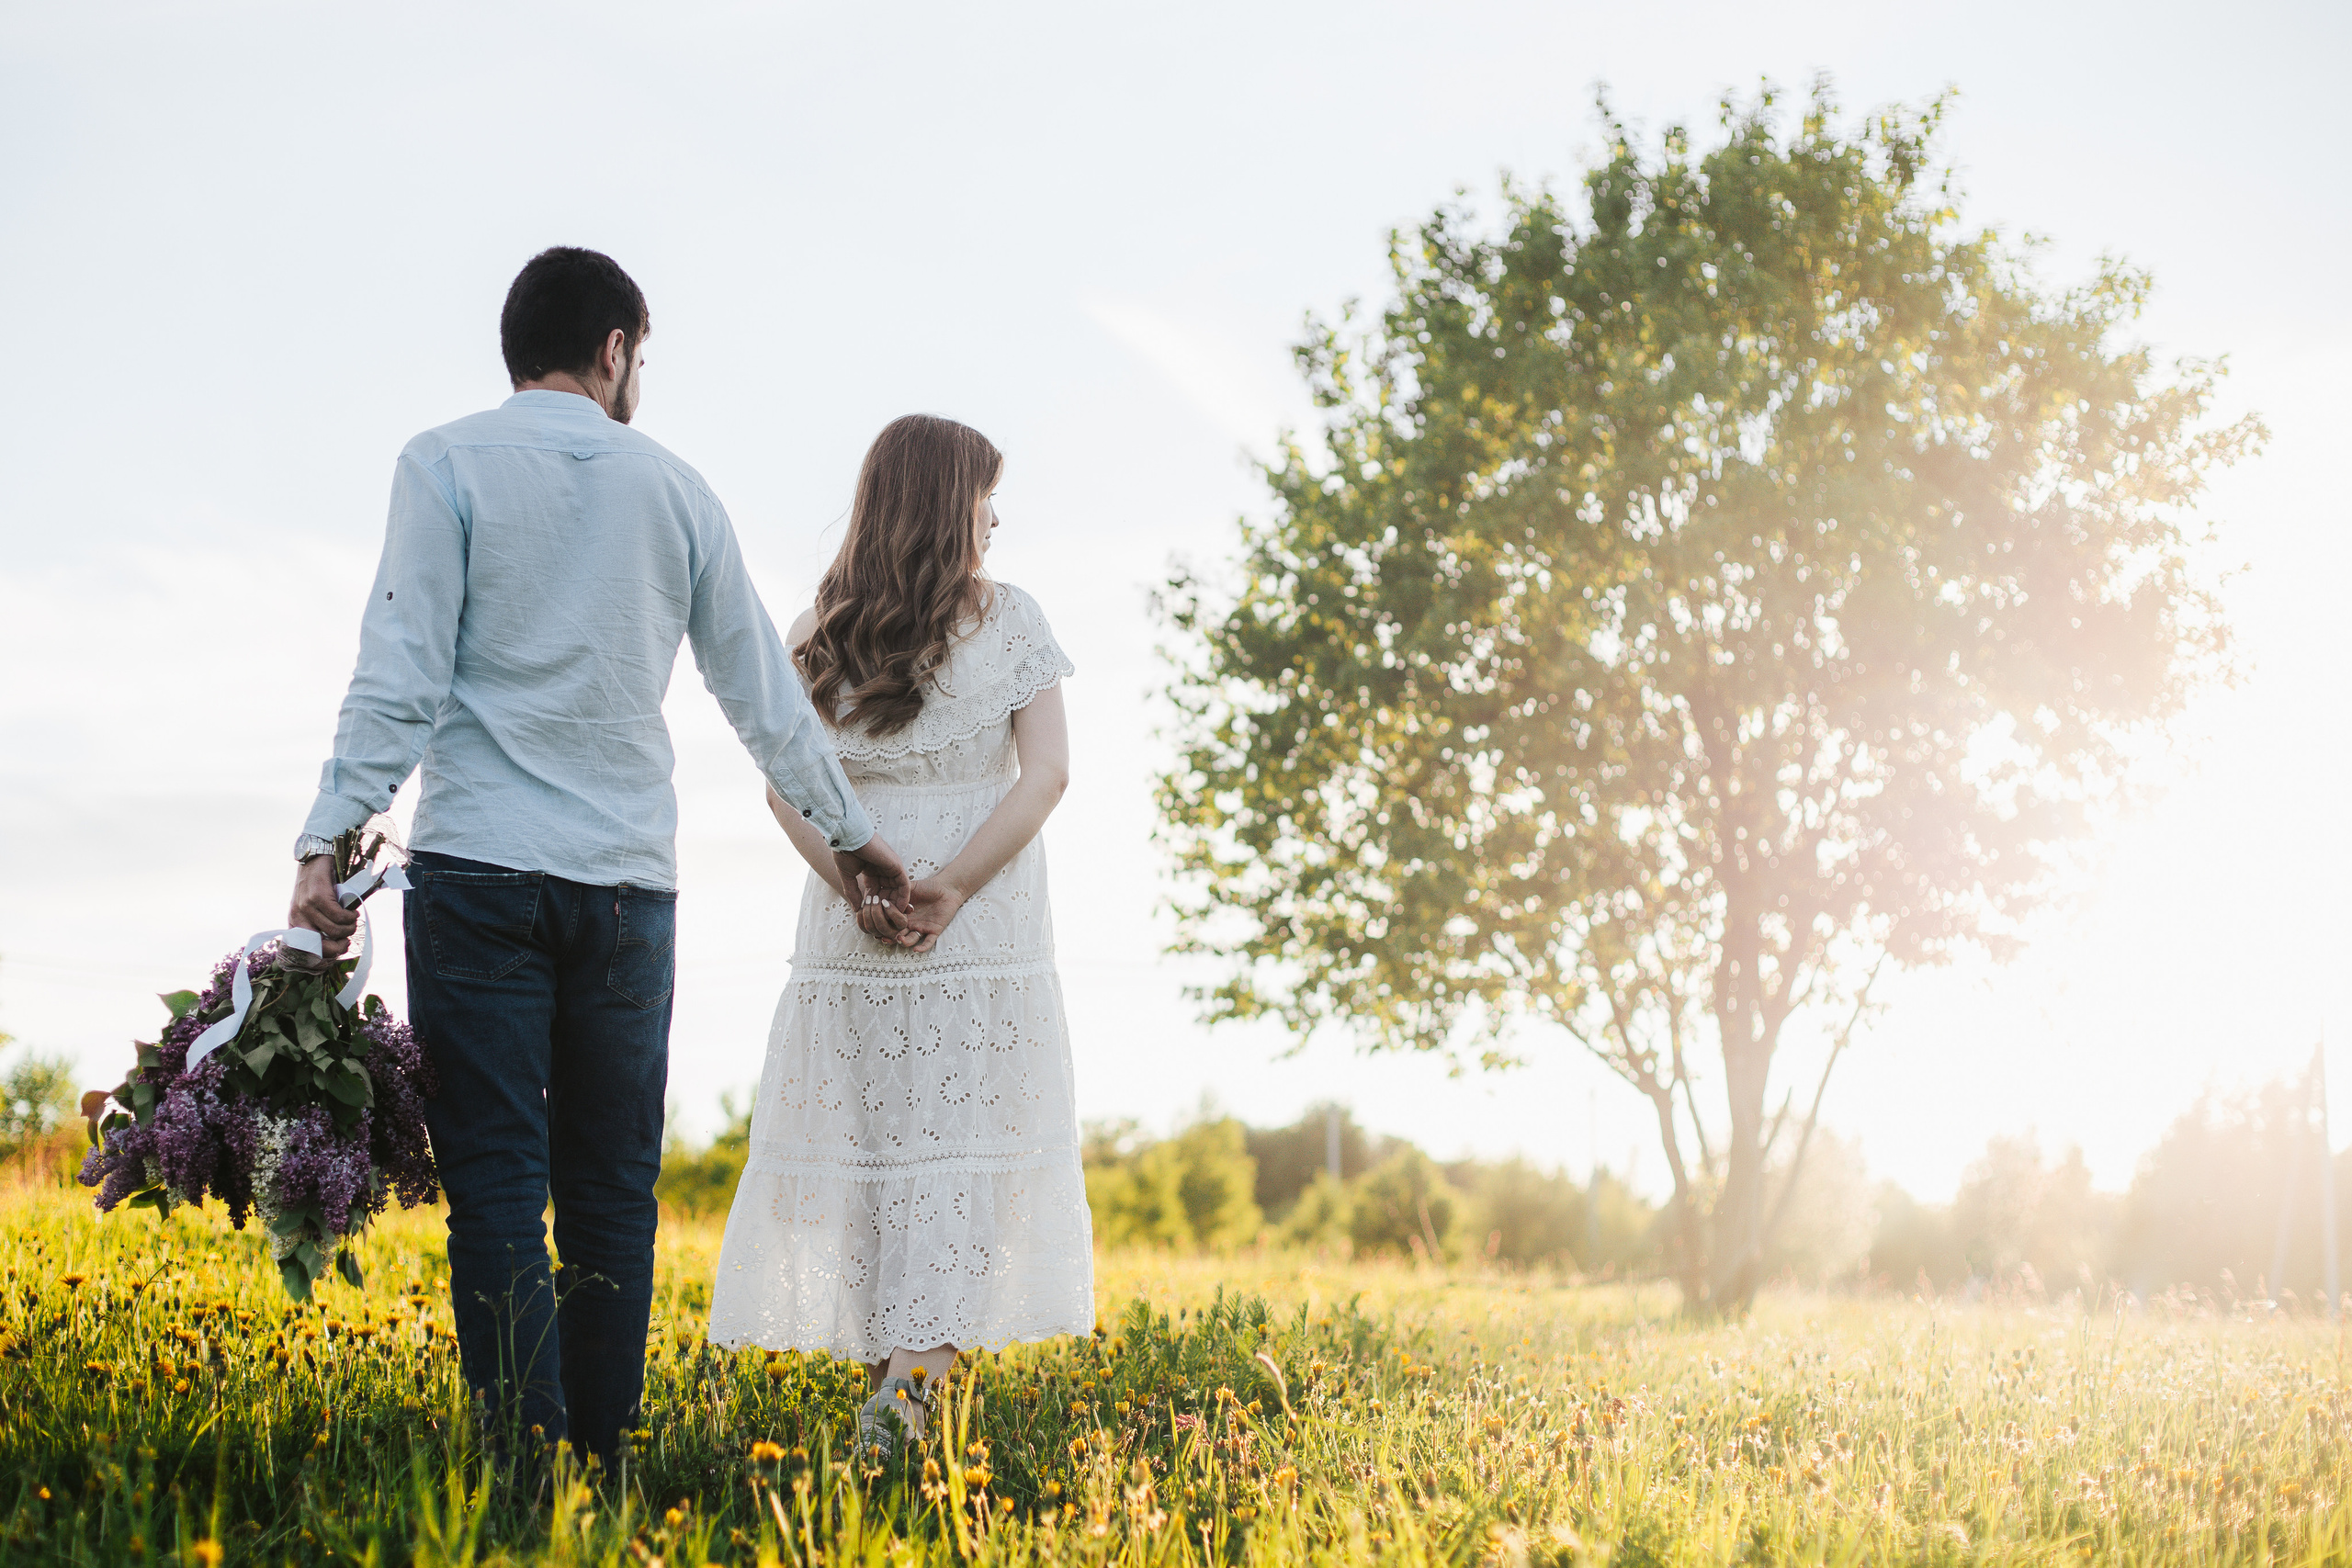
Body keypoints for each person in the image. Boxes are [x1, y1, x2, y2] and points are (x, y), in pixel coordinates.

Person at [286, 247, 911, 1466]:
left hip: (476, 875)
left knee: (501, 1185)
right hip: (628, 886)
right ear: (617, 348)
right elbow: (765, 700)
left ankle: (525, 1466)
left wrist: (326, 841)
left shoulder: (444, 462)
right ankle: (604, 1467)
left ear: (519, 345)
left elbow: (397, 676)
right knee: (614, 1189)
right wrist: (857, 837)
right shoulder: (678, 489)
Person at [708, 414, 1093, 1443]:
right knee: (962, 1143)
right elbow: (1049, 772)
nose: (994, 515)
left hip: (861, 914)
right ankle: (910, 1398)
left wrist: (851, 881)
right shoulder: (1011, 621)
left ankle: (898, 1388)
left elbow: (785, 789)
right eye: (982, 494)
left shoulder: (818, 628)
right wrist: (956, 885)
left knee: (883, 1139)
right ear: (943, 502)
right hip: (975, 915)